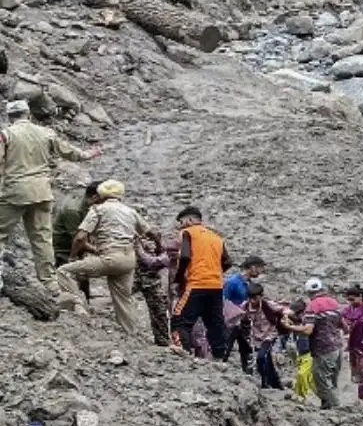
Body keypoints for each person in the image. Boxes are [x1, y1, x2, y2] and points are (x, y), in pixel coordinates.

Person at [0, 99, 96, 284]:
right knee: (42, 238)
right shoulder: (46, 133)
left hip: (15, 192)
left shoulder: (6, 135)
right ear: (28, 114)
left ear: (9, 117)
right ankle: (49, 282)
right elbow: (68, 151)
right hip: (42, 192)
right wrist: (87, 154)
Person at [56, 180, 152, 339]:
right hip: (128, 259)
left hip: (110, 257)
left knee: (63, 271)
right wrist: (160, 247)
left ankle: (79, 307)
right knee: (123, 298)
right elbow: (153, 232)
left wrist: (72, 257)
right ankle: (131, 335)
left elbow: (80, 238)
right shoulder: (129, 211)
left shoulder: (98, 209)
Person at [171, 206, 232, 361]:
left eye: (181, 222)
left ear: (190, 220)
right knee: (215, 322)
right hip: (216, 286)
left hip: (196, 284)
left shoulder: (188, 233)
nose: (180, 226)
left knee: (179, 319)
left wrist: (178, 279)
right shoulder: (216, 237)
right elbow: (227, 262)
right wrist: (214, 272)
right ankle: (219, 356)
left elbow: (185, 256)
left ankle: (182, 352)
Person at [293, 279, 347, 411]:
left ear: (308, 292)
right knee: (332, 381)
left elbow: (308, 330)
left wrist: (290, 327)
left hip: (323, 349)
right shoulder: (334, 303)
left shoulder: (312, 306)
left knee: (321, 380)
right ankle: (327, 406)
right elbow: (344, 326)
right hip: (338, 347)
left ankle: (336, 408)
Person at [222, 255, 263, 372]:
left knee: (247, 350)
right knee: (226, 347)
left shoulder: (249, 284)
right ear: (252, 267)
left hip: (245, 322)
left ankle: (248, 373)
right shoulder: (233, 282)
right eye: (259, 268)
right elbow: (223, 300)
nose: (260, 272)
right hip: (231, 322)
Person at [246, 282, 288, 390]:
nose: (252, 301)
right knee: (266, 361)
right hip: (255, 338)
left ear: (261, 296)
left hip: (269, 336)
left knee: (261, 357)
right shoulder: (245, 306)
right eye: (250, 298)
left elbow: (284, 309)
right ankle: (276, 384)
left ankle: (264, 382)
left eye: (255, 298)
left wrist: (285, 318)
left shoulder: (267, 305)